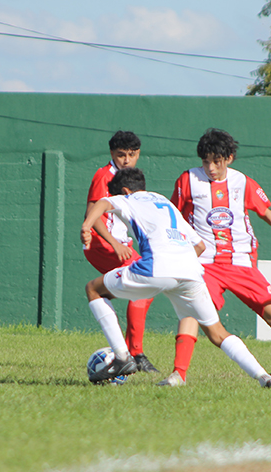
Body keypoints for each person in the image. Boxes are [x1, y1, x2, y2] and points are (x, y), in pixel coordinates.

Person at [162, 128, 271, 388]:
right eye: (206, 161)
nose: (211, 167)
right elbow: (173, 216)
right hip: (203, 265)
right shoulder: (187, 180)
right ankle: (179, 375)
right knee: (191, 312)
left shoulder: (243, 182)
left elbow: (264, 211)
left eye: (217, 161)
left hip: (241, 264)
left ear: (230, 158)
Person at [81, 167, 271, 389]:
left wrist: (87, 226)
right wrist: (177, 266)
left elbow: (101, 203)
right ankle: (266, 378)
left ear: (126, 190)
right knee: (217, 333)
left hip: (155, 268)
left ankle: (121, 357)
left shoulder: (128, 198)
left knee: (93, 289)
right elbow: (200, 245)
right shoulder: (165, 203)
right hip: (191, 272)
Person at [84, 131, 158, 373]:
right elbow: (93, 216)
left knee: (140, 288)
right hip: (102, 245)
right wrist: (115, 244)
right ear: (112, 154)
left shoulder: (130, 178)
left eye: (132, 155)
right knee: (145, 282)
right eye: (121, 155)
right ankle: (134, 354)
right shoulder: (104, 175)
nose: (126, 160)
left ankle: (126, 349)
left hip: (119, 245)